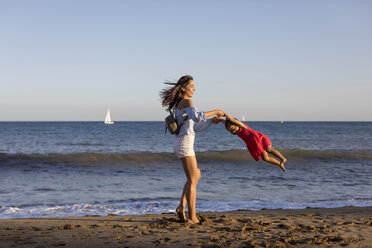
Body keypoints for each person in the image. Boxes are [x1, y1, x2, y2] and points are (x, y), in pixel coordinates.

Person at [160, 75, 224, 224]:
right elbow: (197, 117)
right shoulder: (187, 102)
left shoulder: (181, 104)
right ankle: (191, 217)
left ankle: (181, 206)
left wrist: (210, 122)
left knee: (196, 175)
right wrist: (216, 111)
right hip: (184, 144)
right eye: (192, 86)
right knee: (192, 179)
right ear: (184, 88)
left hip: (184, 142)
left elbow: (194, 126)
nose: (195, 88)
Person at [219, 113, 287, 172]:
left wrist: (225, 114)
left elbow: (232, 120)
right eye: (230, 131)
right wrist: (219, 119)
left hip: (259, 139)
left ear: (237, 124)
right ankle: (279, 164)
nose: (233, 131)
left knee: (268, 149)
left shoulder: (243, 126)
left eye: (233, 129)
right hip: (255, 144)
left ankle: (282, 159)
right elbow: (226, 123)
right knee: (265, 158)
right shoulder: (233, 128)